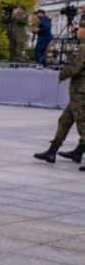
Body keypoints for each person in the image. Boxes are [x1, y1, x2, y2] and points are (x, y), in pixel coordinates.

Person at [32, 23, 84, 164]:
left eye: (80, 28)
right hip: (78, 94)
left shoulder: (83, 48)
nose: (77, 31)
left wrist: (61, 72)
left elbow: (74, 68)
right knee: (64, 121)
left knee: (82, 124)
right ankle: (53, 152)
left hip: (81, 93)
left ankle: (73, 151)